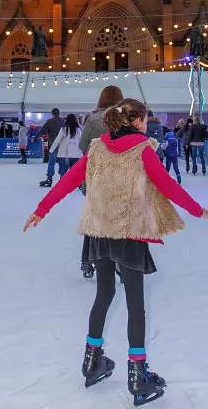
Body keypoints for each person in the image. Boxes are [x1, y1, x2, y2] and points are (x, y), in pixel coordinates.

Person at [24, 98, 208, 406]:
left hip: (99, 232)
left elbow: (71, 180)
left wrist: (41, 210)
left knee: (104, 294)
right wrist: (196, 209)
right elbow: (166, 184)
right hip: (128, 231)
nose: (147, 123)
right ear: (136, 121)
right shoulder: (142, 148)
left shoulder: (97, 148)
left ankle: (91, 360)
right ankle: (138, 376)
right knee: (135, 303)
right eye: (145, 119)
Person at [78, 85, 125, 279]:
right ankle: (120, 263)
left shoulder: (93, 118)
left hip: (96, 177)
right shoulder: (126, 118)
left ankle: (88, 261)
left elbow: (82, 146)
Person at [43, 114, 82, 187]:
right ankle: (78, 184)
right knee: (75, 171)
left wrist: (51, 150)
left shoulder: (64, 129)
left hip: (64, 154)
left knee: (63, 171)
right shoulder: (78, 130)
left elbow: (57, 140)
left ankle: (62, 184)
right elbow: (81, 141)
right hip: (76, 154)